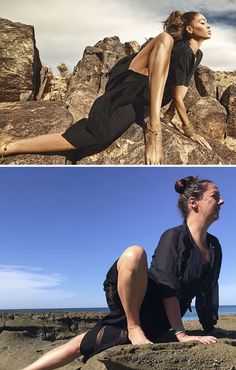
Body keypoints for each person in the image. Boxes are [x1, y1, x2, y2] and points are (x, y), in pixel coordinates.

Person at [21, 175, 229, 370]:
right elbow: (167, 286)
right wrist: (180, 333)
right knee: (134, 253)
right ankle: (133, 326)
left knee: (81, 343)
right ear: (194, 202)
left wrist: (209, 326)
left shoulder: (214, 246)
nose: (221, 202)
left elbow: (209, 289)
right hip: (139, 300)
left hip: (161, 318)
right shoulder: (174, 236)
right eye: (215, 196)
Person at [1, 11, 212, 165]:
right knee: (93, 134)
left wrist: (181, 125)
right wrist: (156, 129)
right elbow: (175, 91)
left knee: (97, 137)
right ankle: (10, 147)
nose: (209, 26)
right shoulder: (179, 48)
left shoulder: (196, 55)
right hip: (129, 85)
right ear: (189, 29)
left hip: (143, 100)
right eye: (203, 22)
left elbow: (178, 93)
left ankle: (12, 145)